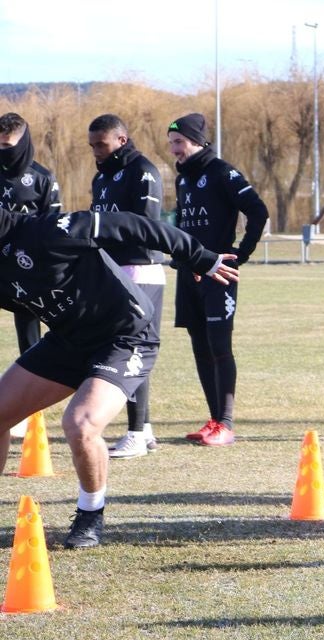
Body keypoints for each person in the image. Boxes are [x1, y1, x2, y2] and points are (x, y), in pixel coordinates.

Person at [0, 207, 238, 547]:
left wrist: (199, 257)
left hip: (126, 338)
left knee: (80, 424)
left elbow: (136, 226)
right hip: (67, 341)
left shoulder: (51, 230)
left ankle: (90, 515)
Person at [167, 113, 269, 446]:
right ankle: (213, 421)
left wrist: (242, 253)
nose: (174, 151)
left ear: (196, 140)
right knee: (200, 347)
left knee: (219, 346)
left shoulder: (222, 172)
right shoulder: (183, 180)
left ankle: (226, 423)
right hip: (189, 274)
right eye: (171, 144)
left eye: (179, 143)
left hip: (219, 274)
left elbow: (258, 211)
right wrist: (182, 258)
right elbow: (183, 224)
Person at [88, 114, 166, 459]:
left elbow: (145, 225)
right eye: (92, 145)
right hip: (114, 270)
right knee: (123, 349)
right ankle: (144, 429)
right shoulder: (101, 177)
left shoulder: (142, 171)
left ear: (121, 140)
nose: (96, 151)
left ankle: (135, 433)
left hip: (140, 270)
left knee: (133, 353)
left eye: (101, 145)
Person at [0, 112, 61, 357]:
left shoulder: (42, 178)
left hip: (29, 265)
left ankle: (36, 379)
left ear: (23, 142)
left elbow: (55, 226)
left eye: (6, 145)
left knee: (30, 335)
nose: (1, 150)